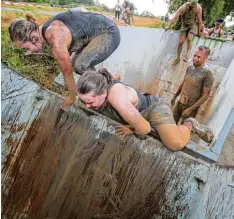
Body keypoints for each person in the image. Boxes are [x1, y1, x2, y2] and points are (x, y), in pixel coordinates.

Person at [76, 68, 214, 151]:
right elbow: (116, 75)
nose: (87, 105)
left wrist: (131, 128)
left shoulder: (118, 99)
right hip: (134, 112)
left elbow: (145, 129)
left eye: (90, 101)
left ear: (102, 92)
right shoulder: (101, 80)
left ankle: (190, 125)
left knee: (174, 143)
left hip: (152, 110)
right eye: (84, 101)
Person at [8, 10, 121, 109]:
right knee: (76, 64)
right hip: (96, 32)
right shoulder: (46, 30)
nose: (29, 52)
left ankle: (112, 90)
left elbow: (67, 72)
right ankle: (110, 77)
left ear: (34, 38)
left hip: (108, 32)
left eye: (26, 48)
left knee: (81, 65)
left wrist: (72, 98)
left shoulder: (54, 38)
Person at [171, 46, 214, 124]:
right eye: (194, 55)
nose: (195, 58)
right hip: (180, 102)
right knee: (171, 124)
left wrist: (190, 109)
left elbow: (205, 95)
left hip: (191, 106)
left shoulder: (207, 73)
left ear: (205, 58)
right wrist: (175, 96)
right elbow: (184, 83)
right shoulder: (190, 68)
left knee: (184, 129)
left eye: (199, 57)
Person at [165, 0, 202, 65]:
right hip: (184, 25)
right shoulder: (183, 7)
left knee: (189, 38)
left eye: (194, 4)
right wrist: (168, 26)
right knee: (181, 42)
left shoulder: (198, 8)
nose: (193, 5)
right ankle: (178, 58)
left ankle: (187, 56)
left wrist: (199, 32)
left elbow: (199, 20)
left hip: (193, 25)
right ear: (189, 1)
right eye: (192, 4)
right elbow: (175, 17)